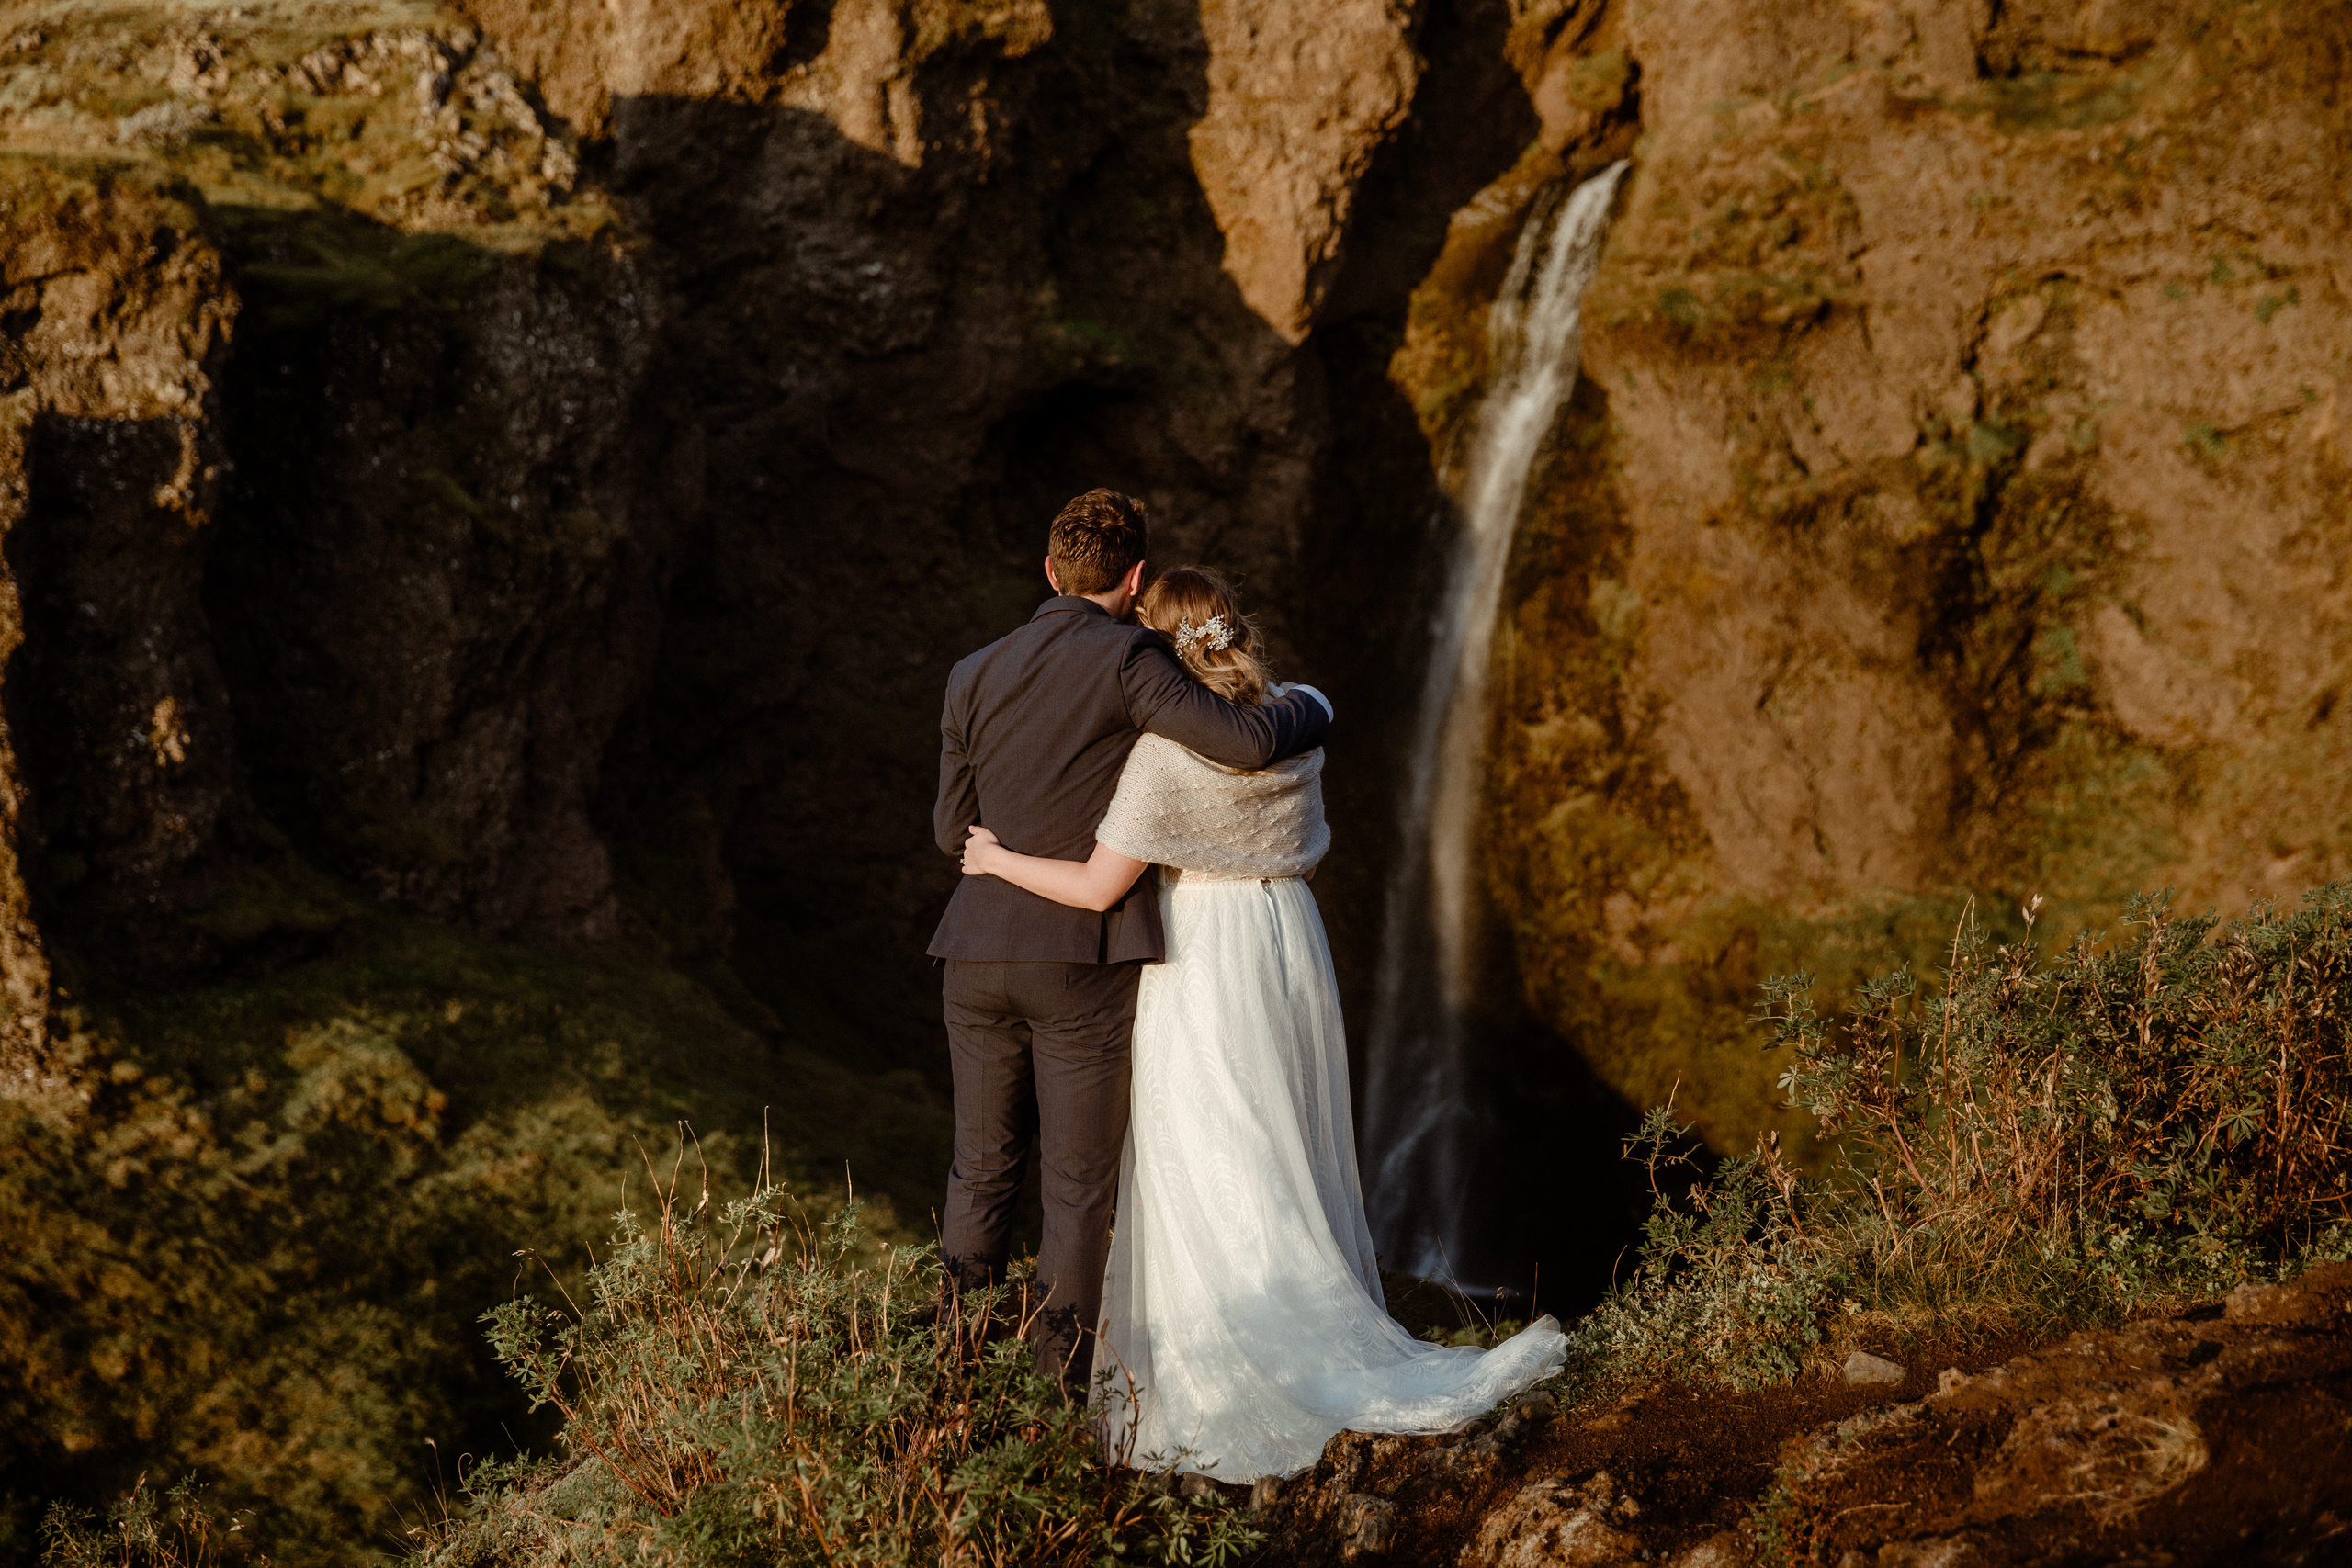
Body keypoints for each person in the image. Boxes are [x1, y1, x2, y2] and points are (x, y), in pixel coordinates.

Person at [961, 565, 1567, 1482]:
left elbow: (1094, 887)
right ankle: (1314, 1322)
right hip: (1287, 935)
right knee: (1280, 1137)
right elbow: (1304, 817)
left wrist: (997, 860)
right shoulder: (1294, 718)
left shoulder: (1163, 758)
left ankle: (1225, 1364)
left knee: (1209, 1148)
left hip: (1203, 949)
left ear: (1159, 657)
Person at [927, 491, 1334, 1397]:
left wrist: (997, 855)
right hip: (1079, 957)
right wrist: (1317, 708)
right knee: (1075, 1186)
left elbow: (951, 830)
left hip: (972, 953)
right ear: (1137, 577)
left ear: (1048, 570)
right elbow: (1243, 741)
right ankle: (1057, 1397)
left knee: (979, 1166)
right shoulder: (1131, 659)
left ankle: (949, 1384)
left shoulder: (972, 670)